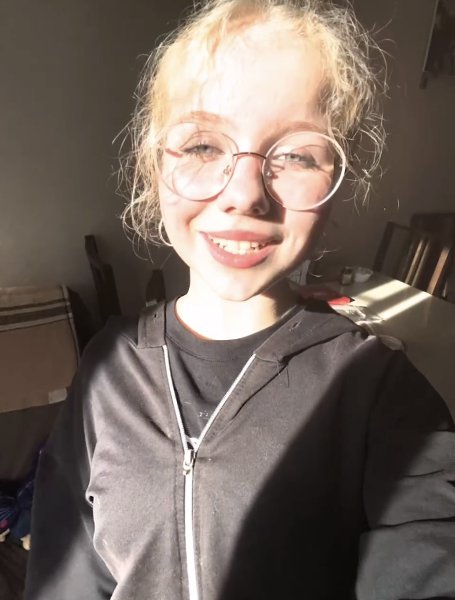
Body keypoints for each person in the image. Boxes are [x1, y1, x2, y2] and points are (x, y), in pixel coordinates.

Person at [25, 1, 455, 599]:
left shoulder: (380, 391)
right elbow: (64, 575)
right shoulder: (105, 369)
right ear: (154, 168)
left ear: (336, 186)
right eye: (203, 146)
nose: (247, 193)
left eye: (296, 155)